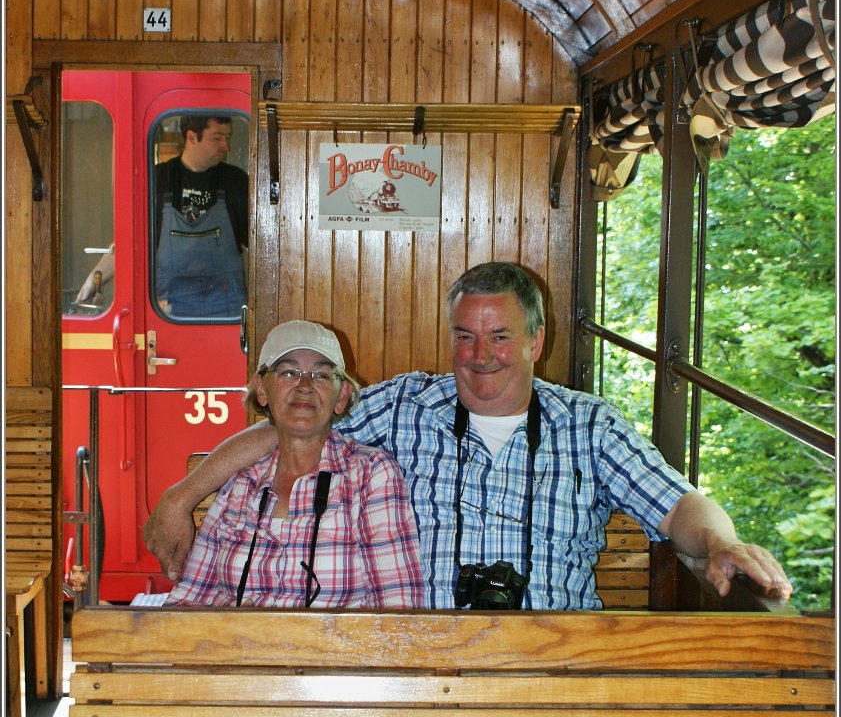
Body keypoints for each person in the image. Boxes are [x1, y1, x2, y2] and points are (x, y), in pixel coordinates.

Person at [145, 262, 792, 610]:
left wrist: (721, 543)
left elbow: (677, 505)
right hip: (431, 658)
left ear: (536, 340)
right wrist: (180, 497)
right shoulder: (406, 405)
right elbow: (292, 425)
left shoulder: (589, 425)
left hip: (553, 658)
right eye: (465, 336)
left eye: (500, 336)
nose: (480, 356)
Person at [165, 319, 424, 608]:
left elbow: (397, 609)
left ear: (341, 396)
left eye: (321, 375)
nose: (304, 386)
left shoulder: (370, 475)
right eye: (288, 372)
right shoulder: (241, 481)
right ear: (262, 389)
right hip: (235, 637)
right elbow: (188, 599)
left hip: (332, 640)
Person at [76, 115, 248, 318]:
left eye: (227, 137)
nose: (226, 146)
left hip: (226, 315)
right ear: (192, 137)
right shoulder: (157, 180)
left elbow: (261, 247)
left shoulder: (236, 181)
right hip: (170, 314)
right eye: (217, 138)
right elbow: (129, 242)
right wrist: (93, 280)